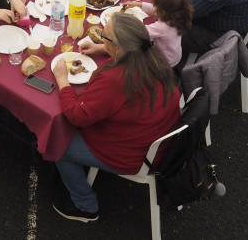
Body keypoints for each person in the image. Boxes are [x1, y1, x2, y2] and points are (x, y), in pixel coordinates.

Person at [52, 12, 180, 223]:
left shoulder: (116, 79)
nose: (101, 37)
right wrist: (104, 48)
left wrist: (63, 81)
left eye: (105, 36)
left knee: (58, 143)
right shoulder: (152, 56)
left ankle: (85, 205)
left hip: (132, 155)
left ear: (120, 48)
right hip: (161, 141)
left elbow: (78, 115)